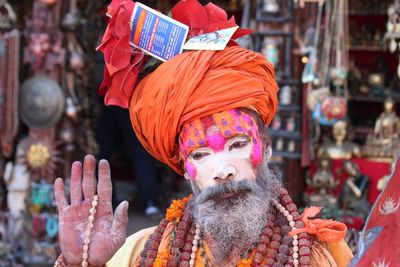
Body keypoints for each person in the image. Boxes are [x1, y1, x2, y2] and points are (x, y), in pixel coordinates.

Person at [53, 1, 353, 266]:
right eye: (200, 154)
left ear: (266, 147)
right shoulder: (142, 253)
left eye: (237, 144)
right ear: (184, 167)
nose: (222, 171)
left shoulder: (315, 256)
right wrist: (81, 263)